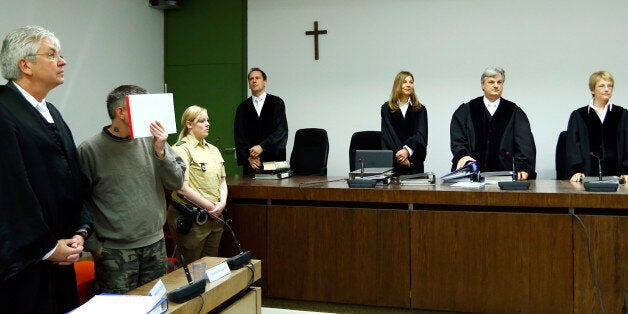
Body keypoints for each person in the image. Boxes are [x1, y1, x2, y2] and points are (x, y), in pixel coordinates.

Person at [0, 25, 92, 313]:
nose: (62, 61)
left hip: (62, 256)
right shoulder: (3, 112)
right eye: (52, 55)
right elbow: (10, 192)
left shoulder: (51, 112)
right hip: (23, 267)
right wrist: (47, 249)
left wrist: (80, 230)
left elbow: (72, 177)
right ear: (25, 64)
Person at [77, 85, 185, 294]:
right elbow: (78, 200)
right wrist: (94, 246)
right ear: (121, 112)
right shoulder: (90, 150)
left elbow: (177, 182)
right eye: (142, 106)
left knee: (155, 304)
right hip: (114, 251)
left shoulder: (151, 140)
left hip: (154, 244)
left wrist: (161, 152)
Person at [450, 67, 536, 179]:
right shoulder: (467, 110)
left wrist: (522, 167)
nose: (496, 85)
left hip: (505, 174)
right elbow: (458, 140)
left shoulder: (514, 112)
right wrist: (462, 156)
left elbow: (525, 144)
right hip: (472, 174)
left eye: (499, 82)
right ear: (482, 85)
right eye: (491, 82)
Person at [167, 105, 227, 265]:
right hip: (193, 218)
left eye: (208, 120)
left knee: (210, 267)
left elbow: (223, 181)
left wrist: (222, 204)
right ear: (189, 124)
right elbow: (182, 188)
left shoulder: (213, 149)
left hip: (215, 217)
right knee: (188, 272)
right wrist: (211, 207)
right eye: (202, 121)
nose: (207, 124)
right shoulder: (181, 149)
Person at [565, 71, 628, 182]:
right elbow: (573, 146)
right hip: (586, 174)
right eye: (601, 86)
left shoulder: (622, 114)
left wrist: (626, 171)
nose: (607, 89)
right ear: (592, 90)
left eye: (610, 86)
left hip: (618, 175)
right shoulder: (579, 115)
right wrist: (577, 170)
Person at [234, 67, 288, 174]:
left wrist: (262, 146)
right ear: (249, 84)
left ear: (265, 82)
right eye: (251, 79)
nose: (254, 80)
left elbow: (281, 131)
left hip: (273, 162)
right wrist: (248, 158)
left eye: (257, 78)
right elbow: (239, 136)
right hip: (251, 164)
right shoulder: (242, 107)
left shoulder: (276, 102)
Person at [381, 71, 428, 175]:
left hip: (414, 164)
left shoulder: (420, 109)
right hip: (394, 165)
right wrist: (401, 157)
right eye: (404, 82)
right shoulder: (386, 108)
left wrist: (407, 151)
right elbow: (388, 136)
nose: (408, 85)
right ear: (398, 85)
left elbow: (421, 136)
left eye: (411, 82)